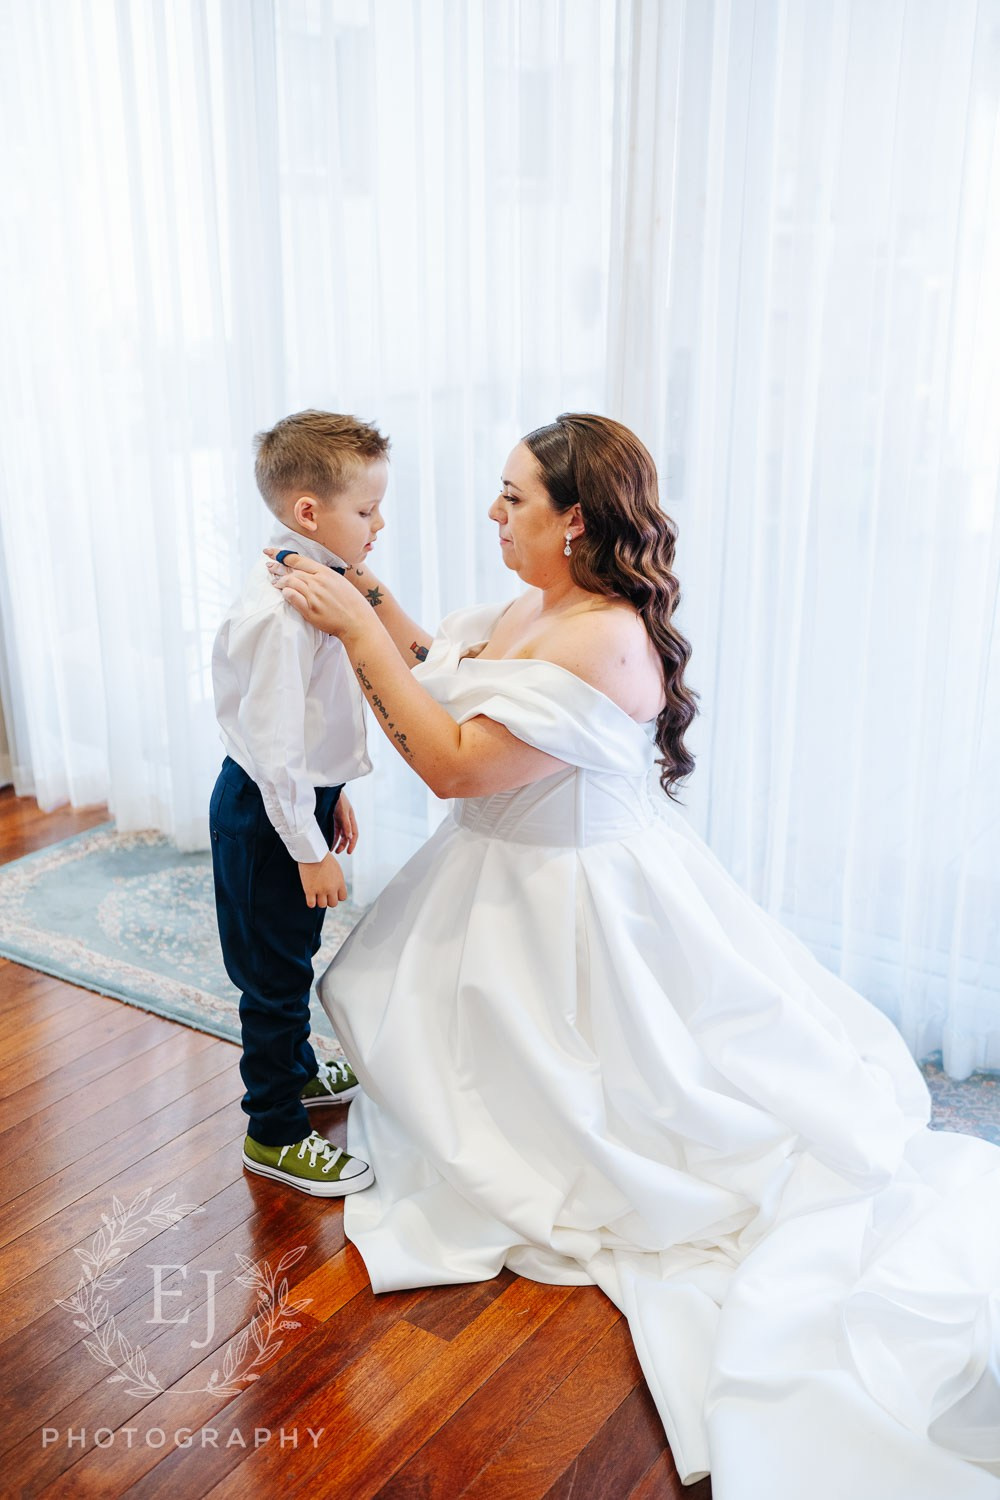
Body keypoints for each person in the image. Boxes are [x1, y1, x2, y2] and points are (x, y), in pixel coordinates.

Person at [271, 414, 1000, 1499]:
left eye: (512, 498)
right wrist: (366, 599)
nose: (491, 513)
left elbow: (455, 766)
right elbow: (444, 665)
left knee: (655, 1117)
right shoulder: (537, 602)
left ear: (574, 520)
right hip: (499, 883)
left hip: (577, 906)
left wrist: (355, 636)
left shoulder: (604, 636)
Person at [210, 409, 389, 1198]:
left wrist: (334, 796)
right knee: (274, 978)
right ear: (308, 512)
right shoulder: (286, 614)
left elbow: (319, 723)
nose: (378, 524)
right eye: (366, 510)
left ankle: (301, 1073)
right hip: (266, 811)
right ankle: (273, 1130)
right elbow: (277, 750)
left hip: (298, 801)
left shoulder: (318, 581)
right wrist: (307, 846)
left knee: (293, 952)